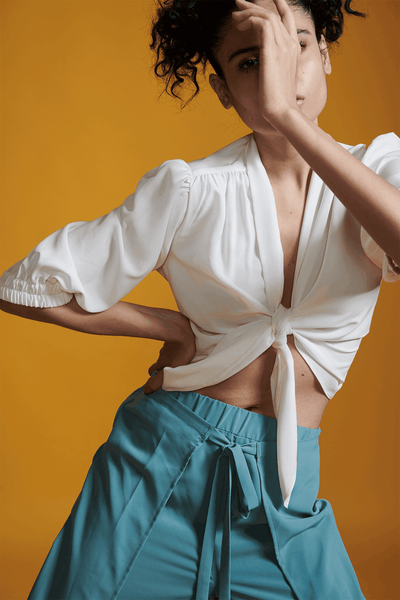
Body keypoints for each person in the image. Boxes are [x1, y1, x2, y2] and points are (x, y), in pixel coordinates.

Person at [1, 0, 399, 598]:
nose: (278, 74)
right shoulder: (192, 189)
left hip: (284, 492)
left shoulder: (380, 170)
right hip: (158, 466)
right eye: (250, 61)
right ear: (222, 90)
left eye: (295, 47)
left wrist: (289, 120)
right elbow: (23, 286)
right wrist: (167, 326)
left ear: (324, 56)